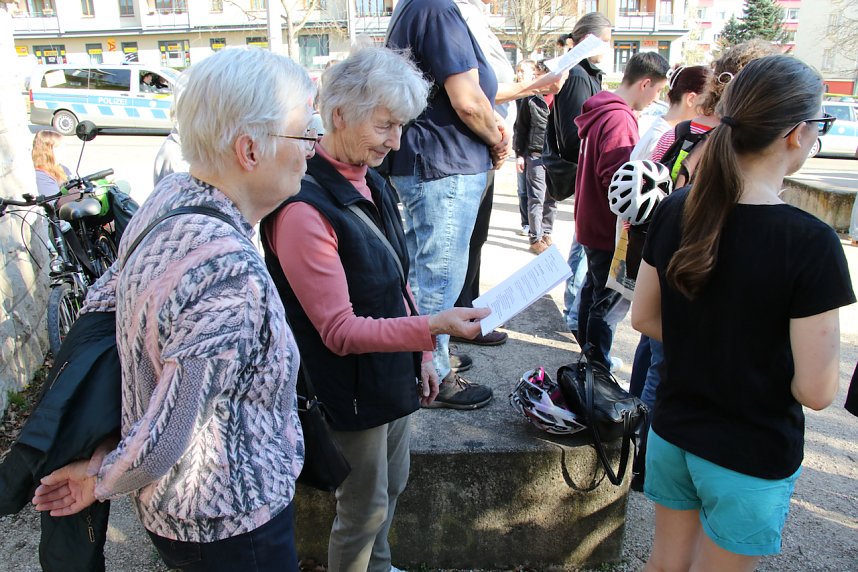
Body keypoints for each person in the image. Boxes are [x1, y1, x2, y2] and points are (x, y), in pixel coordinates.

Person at [32, 47, 315, 571]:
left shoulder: (170, 199)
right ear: (250, 150)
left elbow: (108, 312)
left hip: (177, 514)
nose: (311, 150)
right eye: (306, 134)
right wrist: (101, 478)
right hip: (229, 521)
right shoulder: (226, 270)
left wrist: (105, 455)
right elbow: (174, 426)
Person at [261, 47, 489, 572]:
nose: (396, 141)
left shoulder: (371, 178)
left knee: (392, 489)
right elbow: (338, 332)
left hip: (390, 373)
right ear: (338, 115)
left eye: (402, 126)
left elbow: (396, 278)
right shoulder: (302, 207)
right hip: (347, 389)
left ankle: (380, 567)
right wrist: (431, 328)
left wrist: (425, 357)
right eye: (385, 125)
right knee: (362, 509)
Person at [632, 54, 854, 570]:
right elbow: (816, 391)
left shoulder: (675, 207)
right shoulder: (811, 244)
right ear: (797, 133)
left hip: (674, 431)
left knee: (665, 563)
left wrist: (710, 342)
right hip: (749, 451)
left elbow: (644, 318)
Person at [385, 0, 506, 408]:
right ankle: (431, 374)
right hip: (442, 160)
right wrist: (496, 138)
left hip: (429, 159)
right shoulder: (436, 8)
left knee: (426, 268)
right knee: (437, 274)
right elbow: (468, 100)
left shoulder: (416, 6)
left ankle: (428, 358)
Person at [574, 51, 669, 368]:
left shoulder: (602, 110)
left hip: (589, 220)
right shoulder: (619, 118)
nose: (656, 100)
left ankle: (588, 353)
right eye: (657, 91)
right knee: (608, 299)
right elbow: (617, 178)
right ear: (645, 83)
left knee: (594, 290)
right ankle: (596, 365)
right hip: (606, 226)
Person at [547, 12, 612, 334]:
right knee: (583, 247)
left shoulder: (584, 74)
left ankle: (574, 312)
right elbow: (573, 136)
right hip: (581, 171)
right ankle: (573, 313)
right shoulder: (577, 77)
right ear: (590, 40)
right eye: (607, 41)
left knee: (582, 245)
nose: (609, 48)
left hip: (582, 171)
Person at [514, 60, 557, 254]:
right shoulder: (531, 99)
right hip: (535, 154)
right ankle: (535, 237)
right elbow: (520, 128)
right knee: (536, 198)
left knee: (552, 198)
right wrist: (519, 154)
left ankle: (546, 231)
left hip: (554, 157)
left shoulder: (560, 98)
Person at [515, 59, 537, 237]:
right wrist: (519, 153)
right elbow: (519, 128)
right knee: (522, 189)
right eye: (518, 70)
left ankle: (538, 226)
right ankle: (526, 223)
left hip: (535, 150)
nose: (519, 74)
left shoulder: (535, 95)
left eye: (523, 70)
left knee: (535, 192)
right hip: (521, 148)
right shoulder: (515, 94)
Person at [32, 129, 70, 195]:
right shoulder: (41, 176)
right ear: (48, 150)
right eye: (60, 147)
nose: (65, 151)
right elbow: (53, 202)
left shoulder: (62, 168)